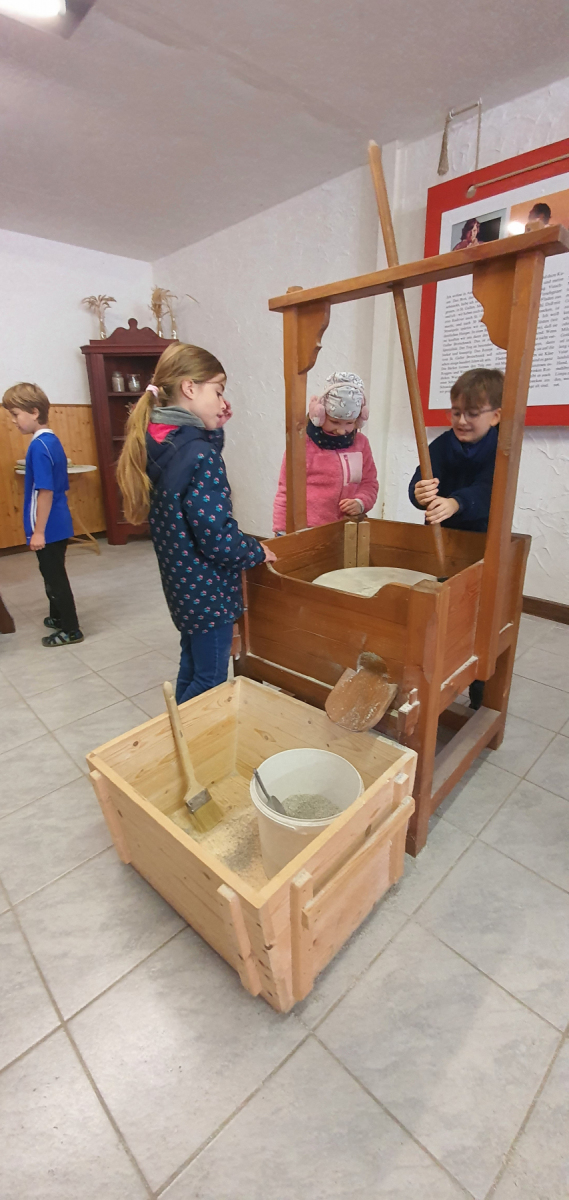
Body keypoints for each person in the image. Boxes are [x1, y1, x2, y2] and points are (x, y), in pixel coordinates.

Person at [116, 342, 276, 704]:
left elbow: (191, 458)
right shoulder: (201, 454)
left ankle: (178, 730)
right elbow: (217, 536)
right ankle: (185, 735)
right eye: (218, 391)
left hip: (182, 588)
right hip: (209, 593)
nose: (222, 402)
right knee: (210, 680)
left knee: (191, 666)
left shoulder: (160, 440)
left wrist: (214, 429)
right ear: (190, 388)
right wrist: (255, 550)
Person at [409, 367, 503, 708]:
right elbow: (421, 479)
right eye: (456, 412)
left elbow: (488, 490)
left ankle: (478, 687)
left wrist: (455, 503)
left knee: (475, 618)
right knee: (439, 614)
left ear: (495, 416)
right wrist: (419, 492)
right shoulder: (442, 445)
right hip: (439, 545)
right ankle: (432, 677)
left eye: (472, 414)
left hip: (480, 543)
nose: (462, 421)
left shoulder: (500, 449)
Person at [2, 383, 83, 647]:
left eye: (15, 414)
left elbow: (45, 491)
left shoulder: (39, 446)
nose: (13, 420)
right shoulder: (50, 441)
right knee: (50, 573)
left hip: (49, 526)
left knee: (54, 578)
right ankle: (58, 616)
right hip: (55, 522)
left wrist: (38, 531)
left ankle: (71, 629)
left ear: (34, 412)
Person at [272, 372, 378, 534]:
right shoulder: (302, 445)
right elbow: (286, 490)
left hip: (347, 528)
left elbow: (369, 483)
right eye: (334, 422)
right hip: (309, 531)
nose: (341, 430)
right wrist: (281, 530)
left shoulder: (361, 444)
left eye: (349, 423)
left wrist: (361, 502)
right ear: (319, 415)